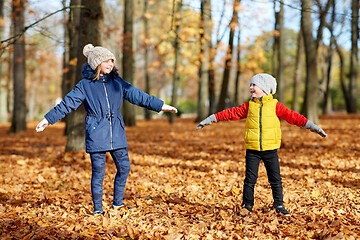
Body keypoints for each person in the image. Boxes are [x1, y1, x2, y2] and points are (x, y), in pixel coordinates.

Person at [36, 44, 178, 215]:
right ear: (96, 63)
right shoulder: (85, 85)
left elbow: (138, 96)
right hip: (96, 133)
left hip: (117, 132)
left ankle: (117, 204)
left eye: (112, 60)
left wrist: (162, 106)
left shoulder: (118, 83)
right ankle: (98, 210)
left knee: (124, 167)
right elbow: (67, 104)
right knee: (98, 173)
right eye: (106, 61)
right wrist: (47, 119)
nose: (111, 64)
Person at [196, 73, 327, 216]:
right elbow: (230, 113)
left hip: (270, 150)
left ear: (264, 87)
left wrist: (313, 127)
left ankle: (279, 205)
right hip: (252, 149)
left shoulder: (275, 105)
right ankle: (247, 205)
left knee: (275, 179)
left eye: (254, 85)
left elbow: (293, 117)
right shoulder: (249, 106)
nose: (251, 87)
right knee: (250, 179)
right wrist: (210, 119)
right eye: (250, 85)